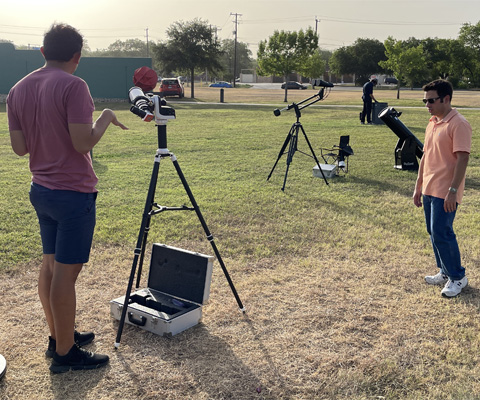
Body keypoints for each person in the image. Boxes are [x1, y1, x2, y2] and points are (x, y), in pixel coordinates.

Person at [7, 23, 128, 372]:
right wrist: (105, 117)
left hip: (41, 190)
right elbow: (83, 143)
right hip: (73, 194)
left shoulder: (17, 89)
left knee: (50, 265)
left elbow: (19, 149)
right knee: (65, 273)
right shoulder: (75, 86)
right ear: (77, 56)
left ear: (43, 52)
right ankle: (65, 353)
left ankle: (58, 335)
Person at [413, 79, 472, 298]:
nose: (427, 104)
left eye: (431, 100)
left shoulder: (459, 124)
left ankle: (458, 277)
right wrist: (418, 185)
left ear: (446, 99)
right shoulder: (433, 122)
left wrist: (453, 191)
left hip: (446, 191)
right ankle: (445, 272)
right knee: (433, 232)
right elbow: (426, 156)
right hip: (429, 188)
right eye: (425, 100)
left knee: (442, 233)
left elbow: (462, 159)